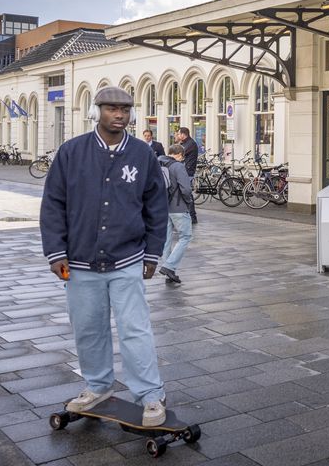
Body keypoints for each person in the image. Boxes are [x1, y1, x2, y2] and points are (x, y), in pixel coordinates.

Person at [39, 86, 169, 427]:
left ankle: (150, 394)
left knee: (135, 330)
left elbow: (156, 207)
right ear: (97, 112)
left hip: (127, 259)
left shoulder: (142, 155)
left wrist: (153, 253)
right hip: (80, 262)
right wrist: (55, 252)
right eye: (112, 108)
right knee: (88, 329)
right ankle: (97, 386)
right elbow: (53, 204)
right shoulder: (71, 152)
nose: (119, 115)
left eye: (125, 109)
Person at [157, 144, 193, 284]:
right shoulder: (178, 166)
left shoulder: (159, 163)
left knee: (166, 239)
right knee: (186, 236)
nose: (182, 159)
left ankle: (169, 272)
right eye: (182, 157)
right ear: (179, 154)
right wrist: (188, 202)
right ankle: (169, 266)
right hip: (178, 207)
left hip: (163, 207)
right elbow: (186, 189)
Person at [176, 127, 199, 224]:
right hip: (184, 171)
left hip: (187, 171)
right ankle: (187, 215)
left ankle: (192, 216)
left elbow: (179, 155)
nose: (177, 135)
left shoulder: (190, 144)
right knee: (184, 193)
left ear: (183, 134)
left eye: (178, 134)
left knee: (187, 194)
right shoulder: (185, 143)